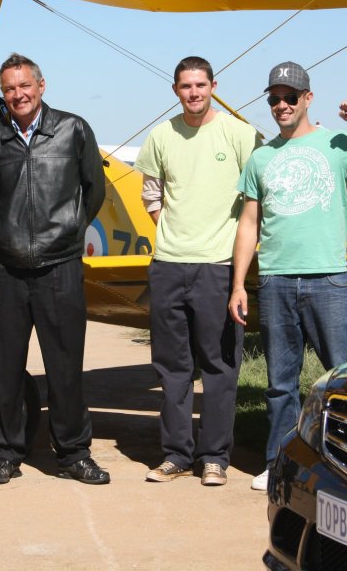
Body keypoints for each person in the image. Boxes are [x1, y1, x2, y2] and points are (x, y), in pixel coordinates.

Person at [229, 61, 347, 491]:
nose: (281, 105)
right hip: (275, 282)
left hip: (328, 280)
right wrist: (238, 284)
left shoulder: (338, 144)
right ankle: (277, 461)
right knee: (279, 385)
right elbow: (248, 224)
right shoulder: (261, 157)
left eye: (290, 97)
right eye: (274, 99)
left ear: (308, 99)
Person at [0, 53, 109, 485]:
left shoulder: (73, 129)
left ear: (41, 85)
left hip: (60, 268)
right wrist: (13, 236)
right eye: (9, 89)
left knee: (66, 367)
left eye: (24, 86)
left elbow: (94, 190)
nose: (18, 95)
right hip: (8, 271)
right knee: (7, 368)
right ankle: (6, 452)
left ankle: (72, 453)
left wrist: (68, 231)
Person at [134, 56, 262, 487]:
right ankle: (175, 454)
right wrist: (172, 232)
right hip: (168, 264)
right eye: (186, 86)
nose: (194, 93)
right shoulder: (160, 136)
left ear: (213, 86)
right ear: (176, 90)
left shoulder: (240, 133)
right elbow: (151, 193)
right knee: (172, 367)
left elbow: (257, 195)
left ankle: (215, 458)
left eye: (201, 85)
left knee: (219, 366)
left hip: (219, 267)